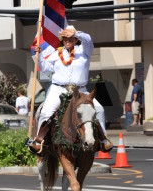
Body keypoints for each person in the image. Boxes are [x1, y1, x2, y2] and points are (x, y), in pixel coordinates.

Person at [29, 25, 113, 154]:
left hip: (81, 91)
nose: (67, 40)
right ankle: (39, 142)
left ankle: (103, 141)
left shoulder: (85, 51)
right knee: (46, 113)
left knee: (100, 110)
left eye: (70, 38)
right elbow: (45, 68)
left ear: (76, 39)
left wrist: (76, 32)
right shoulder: (57, 54)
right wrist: (39, 56)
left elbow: (88, 40)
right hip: (59, 90)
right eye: (64, 38)